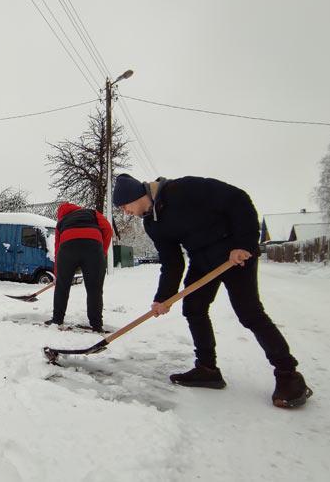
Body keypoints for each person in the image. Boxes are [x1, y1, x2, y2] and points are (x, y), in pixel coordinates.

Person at [112, 173, 312, 408]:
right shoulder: (152, 223)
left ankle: (289, 375)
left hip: (234, 255)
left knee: (249, 313)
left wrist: (244, 243)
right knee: (194, 308)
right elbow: (172, 262)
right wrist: (163, 298)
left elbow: (238, 200)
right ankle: (207, 369)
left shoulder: (184, 189)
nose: (126, 212)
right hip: (202, 260)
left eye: (125, 206)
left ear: (137, 195)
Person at [46, 202, 113, 331]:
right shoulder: (92, 213)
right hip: (93, 247)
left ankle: (57, 320)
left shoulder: (61, 222)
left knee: (62, 287)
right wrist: (101, 252)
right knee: (94, 288)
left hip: (67, 249)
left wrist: (58, 274)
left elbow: (57, 247)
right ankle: (97, 324)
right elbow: (108, 229)